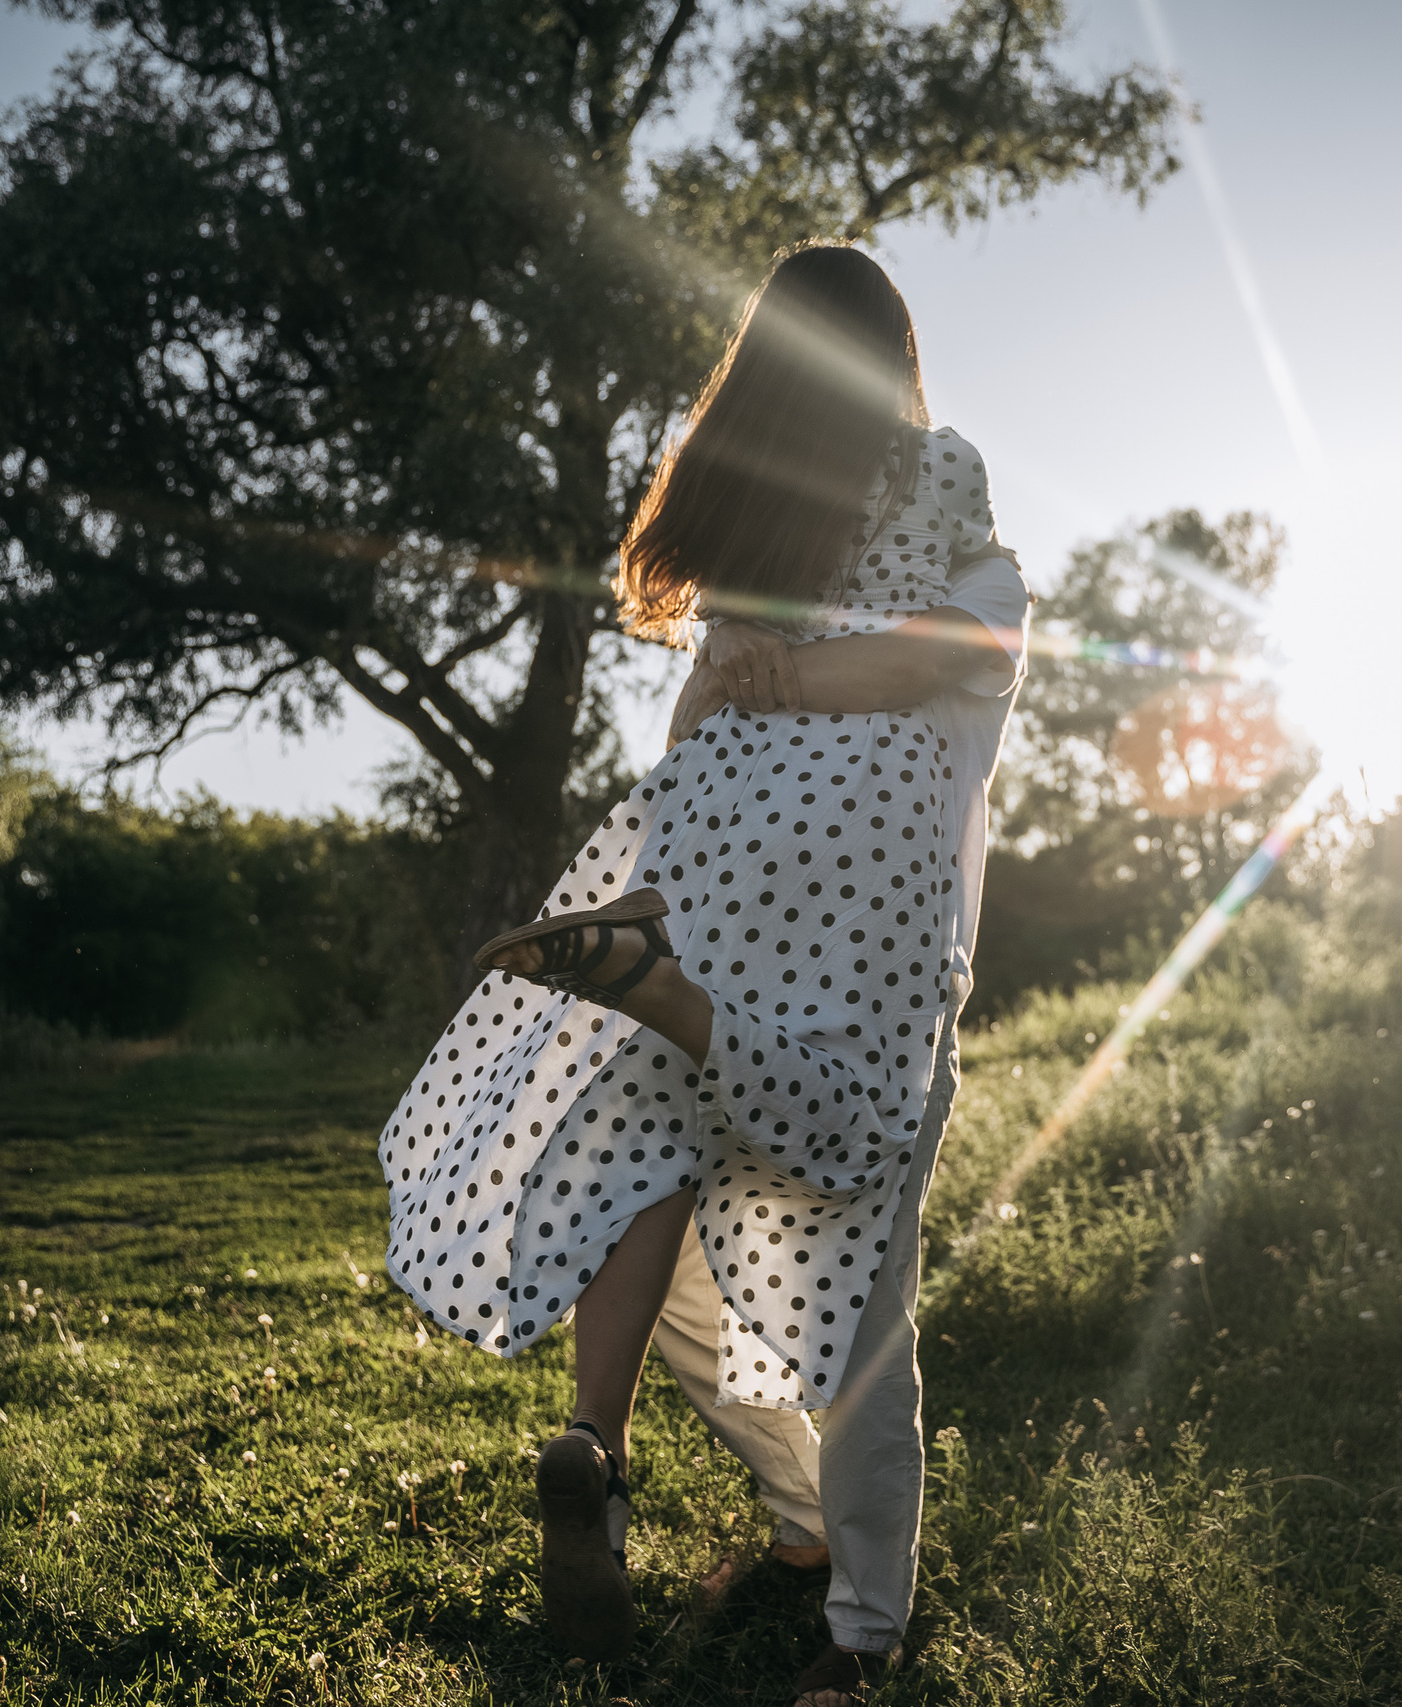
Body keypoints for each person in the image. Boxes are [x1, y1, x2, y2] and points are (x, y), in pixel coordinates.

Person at [377, 242, 1031, 1706]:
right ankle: (856, 1626)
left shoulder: (752, 567)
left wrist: (667, 876)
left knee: (657, 1233)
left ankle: (613, 1448)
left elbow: (688, 743)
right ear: (894, 369)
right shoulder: (969, 547)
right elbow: (956, 656)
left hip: (722, 893)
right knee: (864, 1301)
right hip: (874, 950)